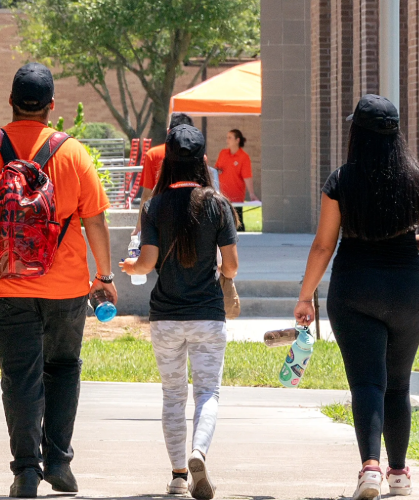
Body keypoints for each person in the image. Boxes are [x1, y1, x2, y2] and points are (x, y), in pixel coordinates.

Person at [0, 62, 115, 498]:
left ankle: (25, 471)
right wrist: (104, 275)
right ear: (51, 106)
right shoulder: (72, 153)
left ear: (11, 101)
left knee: (19, 375)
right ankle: (59, 461)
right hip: (65, 285)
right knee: (62, 367)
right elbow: (96, 221)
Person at [293, 94, 419, 500]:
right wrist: (411, 246)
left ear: (357, 134)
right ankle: (398, 473)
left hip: (354, 289)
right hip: (406, 291)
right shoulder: (418, 179)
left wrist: (306, 296)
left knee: (367, 382)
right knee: (397, 384)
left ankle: (369, 469)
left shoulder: (341, 180)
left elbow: (323, 245)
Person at [121, 124, 241, 500]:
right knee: (207, 392)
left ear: (167, 162)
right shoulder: (218, 204)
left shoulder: (154, 206)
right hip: (208, 314)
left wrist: (130, 267)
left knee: (173, 394)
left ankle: (177, 476)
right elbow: (232, 266)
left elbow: (146, 263)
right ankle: (198, 452)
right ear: (203, 160)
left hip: (166, 317)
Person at [134, 113, 197, 197]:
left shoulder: (153, 155)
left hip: (162, 204)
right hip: (192, 203)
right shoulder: (200, 156)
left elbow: (147, 195)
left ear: (168, 131)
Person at [215, 129, 254, 231]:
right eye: (227, 137)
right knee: (222, 224)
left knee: (237, 222)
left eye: (230, 137)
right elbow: (217, 169)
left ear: (237, 140)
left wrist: (252, 194)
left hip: (236, 196)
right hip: (222, 196)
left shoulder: (244, 157)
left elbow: (247, 177)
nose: (227, 140)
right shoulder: (223, 153)